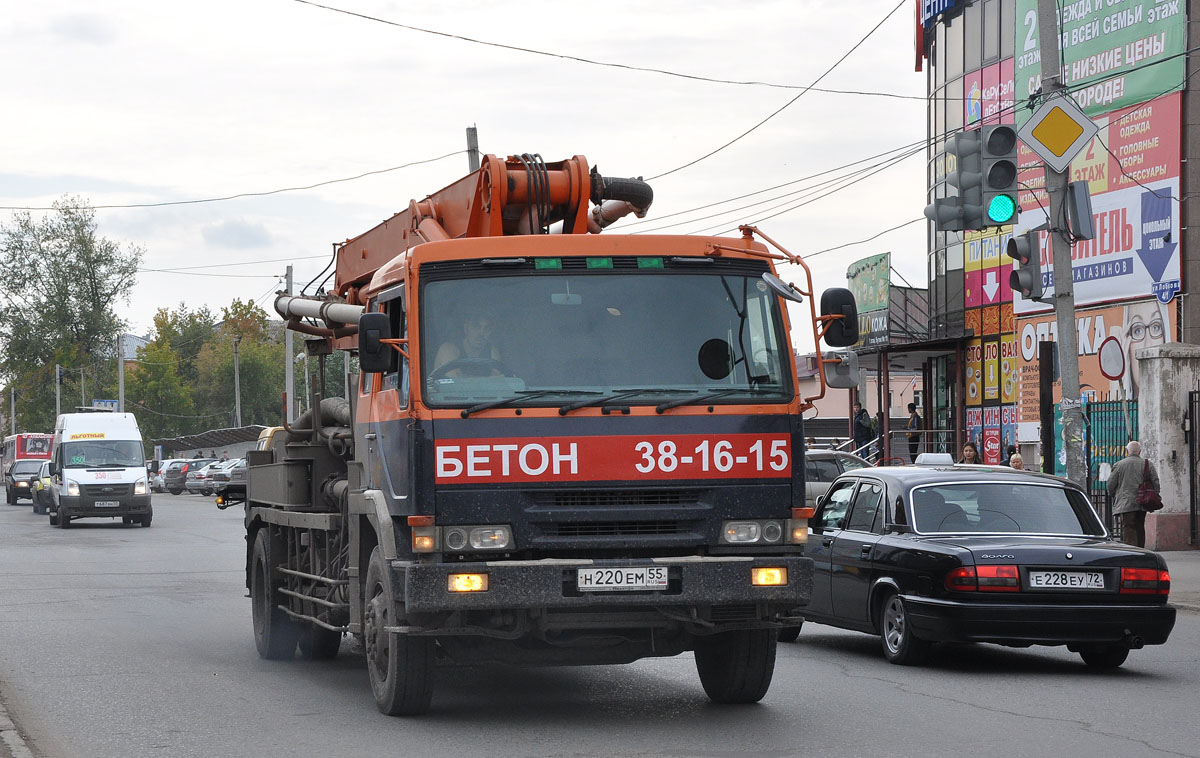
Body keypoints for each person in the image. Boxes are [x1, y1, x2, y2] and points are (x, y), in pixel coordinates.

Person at [1107, 440, 1159, 548]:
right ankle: (1141, 549)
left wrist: (1113, 495)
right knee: (1140, 525)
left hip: (1126, 502)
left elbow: (1111, 485)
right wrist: (1154, 495)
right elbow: (1155, 481)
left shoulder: (1119, 465)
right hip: (1143, 502)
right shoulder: (1147, 464)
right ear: (1139, 452)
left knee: (1129, 526)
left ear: (1127, 451)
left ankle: (1132, 550)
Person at [433, 310, 503, 377]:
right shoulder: (448, 349)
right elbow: (454, 382)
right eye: (476, 326)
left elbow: (497, 383)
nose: (481, 333)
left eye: (487, 328)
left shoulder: (492, 352)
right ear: (466, 328)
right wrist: (488, 380)